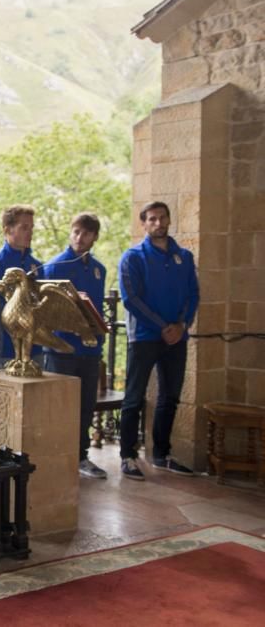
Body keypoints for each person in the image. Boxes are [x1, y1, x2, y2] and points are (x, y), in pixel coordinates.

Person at [118, 201, 199, 481]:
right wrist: (163, 326)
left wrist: (181, 325)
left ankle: (161, 455)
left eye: (162, 218)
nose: (158, 223)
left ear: (168, 220)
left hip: (177, 337)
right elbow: (131, 299)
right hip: (144, 337)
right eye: (151, 219)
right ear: (144, 224)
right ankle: (127, 455)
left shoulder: (184, 257)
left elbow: (193, 295)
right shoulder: (133, 257)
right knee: (133, 398)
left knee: (170, 397)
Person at [40, 213, 108, 479]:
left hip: (90, 350)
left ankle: (81, 456)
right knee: (60, 407)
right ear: (71, 233)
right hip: (62, 350)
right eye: (77, 232)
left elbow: (98, 308)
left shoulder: (99, 269)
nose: (81, 238)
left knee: (86, 406)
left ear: (94, 237)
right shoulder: (55, 267)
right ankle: (57, 457)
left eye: (87, 234)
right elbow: (47, 313)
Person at [0, 204, 43, 371]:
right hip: (2, 351)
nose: (30, 232)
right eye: (24, 227)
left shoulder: (36, 265)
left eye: (31, 227)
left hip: (34, 349)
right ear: (7, 230)